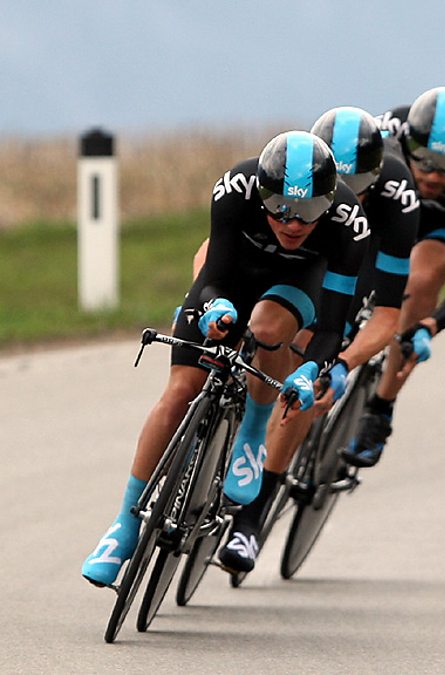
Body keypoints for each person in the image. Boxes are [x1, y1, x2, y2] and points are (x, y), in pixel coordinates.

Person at [82, 131, 370, 586]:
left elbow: (332, 327)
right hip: (234, 274)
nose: (294, 223)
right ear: (263, 193)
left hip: (298, 283)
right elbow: (213, 275)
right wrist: (215, 307)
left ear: (329, 201)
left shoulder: (348, 221)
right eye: (280, 208)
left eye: (309, 210)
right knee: (180, 390)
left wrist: (310, 370)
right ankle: (125, 524)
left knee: (269, 329)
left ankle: (253, 432)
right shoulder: (236, 186)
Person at [215, 107, 422, 573]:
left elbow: (387, 314)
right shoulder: (303, 180)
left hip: (362, 259)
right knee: (275, 332)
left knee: (311, 365)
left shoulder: (396, 196)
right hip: (314, 253)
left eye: (358, 188)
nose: (348, 195)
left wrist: (344, 363)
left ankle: (251, 518)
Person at [341, 87, 445, 468]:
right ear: (408, 143)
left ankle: (380, 408)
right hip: (386, 215)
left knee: (422, 278)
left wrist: (431, 325)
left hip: (442, 229)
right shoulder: (385, 131)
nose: (433, 175)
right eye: (425, 160)